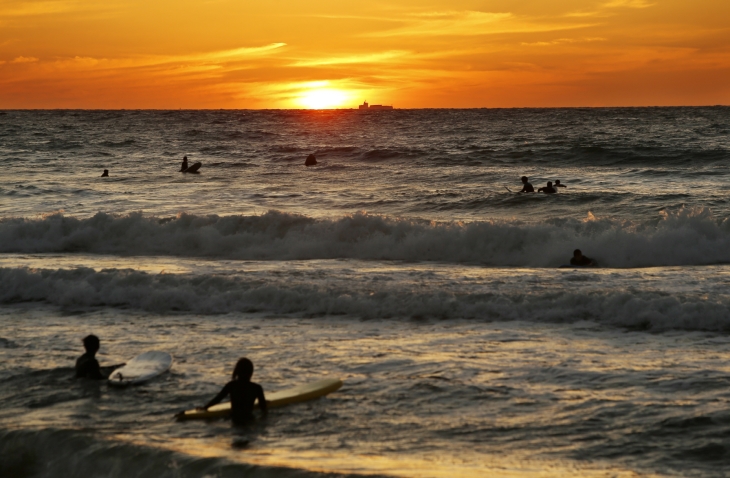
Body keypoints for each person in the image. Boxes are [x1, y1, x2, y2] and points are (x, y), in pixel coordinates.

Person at [200, 358, 267, 424]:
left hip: (234, 420)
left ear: (237, 371)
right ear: (251, 372)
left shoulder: (231, 385)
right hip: (249, 419)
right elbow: (263, 409)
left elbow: (218, 398)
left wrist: (205, 407)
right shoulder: (257, 388)